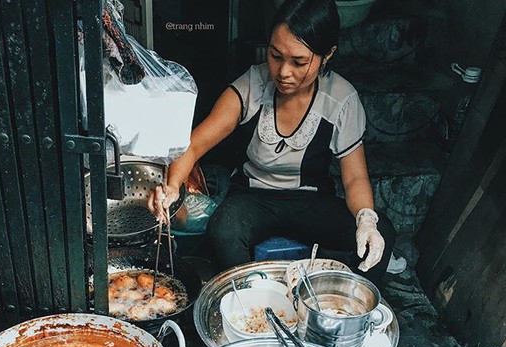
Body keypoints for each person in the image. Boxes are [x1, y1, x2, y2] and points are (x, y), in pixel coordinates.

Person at [148, 0, 395, 287]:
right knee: (223, 230)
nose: (283, 72)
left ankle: (339, 309)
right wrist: (171, 187)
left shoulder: (341, 99)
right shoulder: (252, 85)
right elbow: (193, 145)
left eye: (299, 62)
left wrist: (366, 220)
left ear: (327, 55)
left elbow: (355, 178)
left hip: (311, 201)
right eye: (276, 56)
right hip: (253, 198)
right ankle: (252, 305)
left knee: (383, 234)